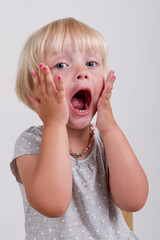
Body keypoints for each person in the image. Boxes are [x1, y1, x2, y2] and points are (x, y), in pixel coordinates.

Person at [10, 17, 148, 240]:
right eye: (61, 65)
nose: (81, 72)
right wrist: (54, 123)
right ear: (37, 87)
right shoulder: (31, 141)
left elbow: (134, 201)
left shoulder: (106, 140)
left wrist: (110, 128)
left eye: (91, 64)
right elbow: (53, 204)